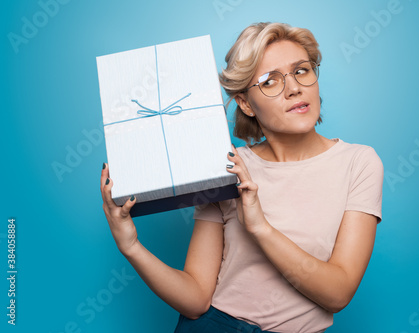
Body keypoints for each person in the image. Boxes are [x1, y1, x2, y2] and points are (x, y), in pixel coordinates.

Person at [100, 22, 383, 333]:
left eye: (301, 70)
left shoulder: (359, 163)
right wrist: (131, 246)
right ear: (246, 103)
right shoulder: (227, 167)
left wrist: (259, 226)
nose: (294, 88)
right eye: (269, 81)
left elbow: (338, 294)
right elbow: (196, 299)